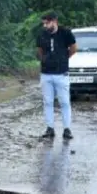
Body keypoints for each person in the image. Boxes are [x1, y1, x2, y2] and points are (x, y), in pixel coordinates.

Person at [36, 11, 77, 140]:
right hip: (46, 74)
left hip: (62, 74)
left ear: (54, 21)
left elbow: (74, 48)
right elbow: (40, 51)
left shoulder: (66, 33)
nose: (45, 26)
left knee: (64, 101)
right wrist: (45, 60)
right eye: (44, 23)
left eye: (47, 23)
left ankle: (67, 129)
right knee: (47, 101)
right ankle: (50, 128)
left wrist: (64, 58)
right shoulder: (42, 35)